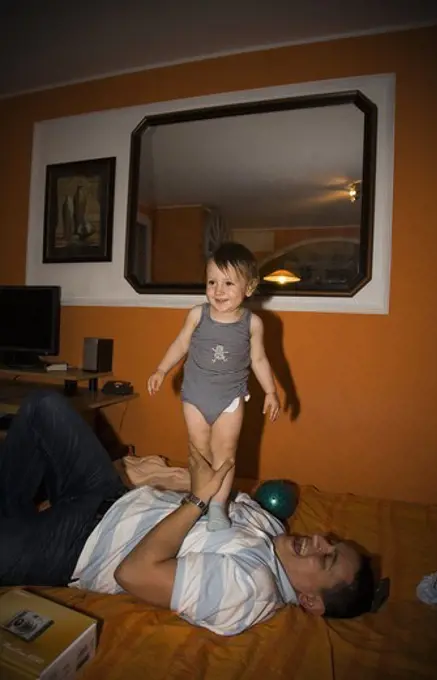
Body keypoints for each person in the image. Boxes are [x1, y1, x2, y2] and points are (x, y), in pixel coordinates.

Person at [0, 391, 376, 636]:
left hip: (77, 547)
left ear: (310, 601)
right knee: (43, 407)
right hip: (107, 494)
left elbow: (132, 573)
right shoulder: (272, 526)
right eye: (333, 542)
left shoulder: (249, 588)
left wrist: (196, 500)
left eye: (326, 559)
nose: (320, 541)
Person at [147, 241, 281, 532]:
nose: (218, 290)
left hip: (230, 399)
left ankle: (218, 507)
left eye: (228, 283)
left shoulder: (252, 323)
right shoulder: (197, 314)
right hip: (195, 395)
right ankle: (199, 501)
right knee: (198, 452)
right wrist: (161, 369)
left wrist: (270, 391)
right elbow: (181, 343)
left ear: (249, 287)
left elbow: (258, 358)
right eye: (212, 282)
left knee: (225, 453)